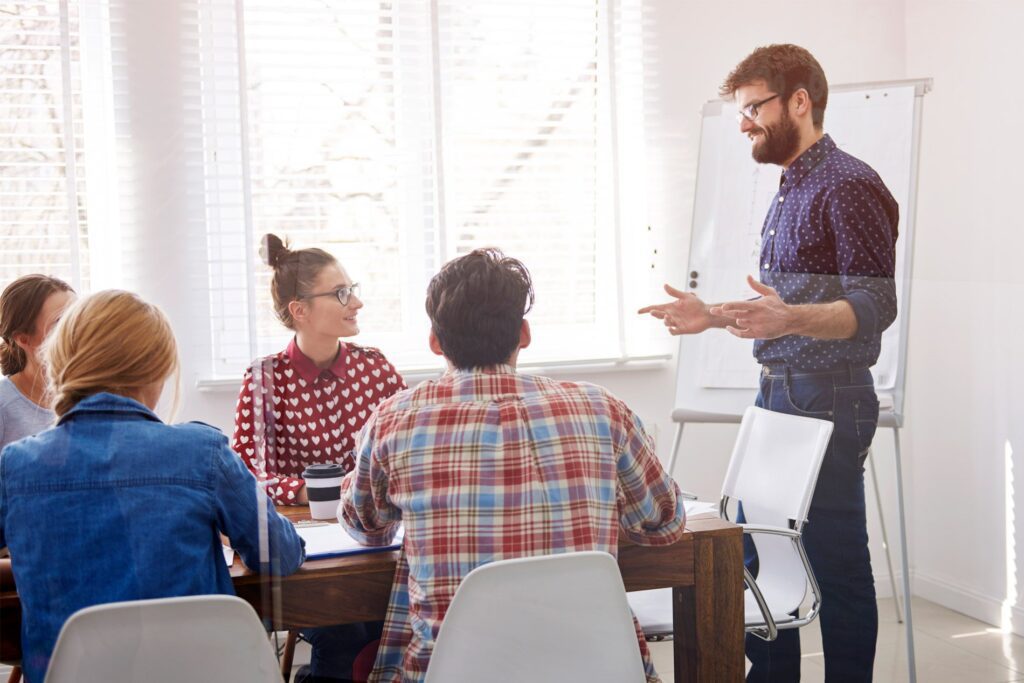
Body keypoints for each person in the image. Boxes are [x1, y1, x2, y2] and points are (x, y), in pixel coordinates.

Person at [640, 44, 897, 682]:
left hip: (829, 396)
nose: (745, 122)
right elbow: (784, 309)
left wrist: (789, 319)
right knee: (751, 549)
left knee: (834, 565)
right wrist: (714, 315)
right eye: (741, 112)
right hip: (780, 391)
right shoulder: (792, 183)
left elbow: (874, 302)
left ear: (800, 101)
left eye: (755, 107)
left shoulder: (849, 184)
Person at [339, 248, 687, 683]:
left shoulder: (393, 420)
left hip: (454, 673)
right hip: (595, 669)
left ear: (435, 341)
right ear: (523, 334)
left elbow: (365, 524)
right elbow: (664, 524)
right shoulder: (602, 409)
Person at [0, 290, 304, 683]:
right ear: (156, 370)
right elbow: (281, 555)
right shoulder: (202, 451)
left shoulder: (17, 466)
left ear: (62, 364)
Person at [233, 234, 405, 682]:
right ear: (300, 310)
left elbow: (405, 449)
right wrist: (309, 490)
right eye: (342, 293)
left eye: (353, 289)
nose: (357, 302)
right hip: (305, 553)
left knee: (386, 615)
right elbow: (246, 473)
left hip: (374, 541)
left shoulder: (375, 367)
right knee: (345, 626)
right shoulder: (264, 379)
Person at [0, 275, 75, 451]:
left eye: (78, 317)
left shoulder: (94, 398)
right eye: (61, 323)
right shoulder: (4, 406)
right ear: (23, 339)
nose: (77, 331)